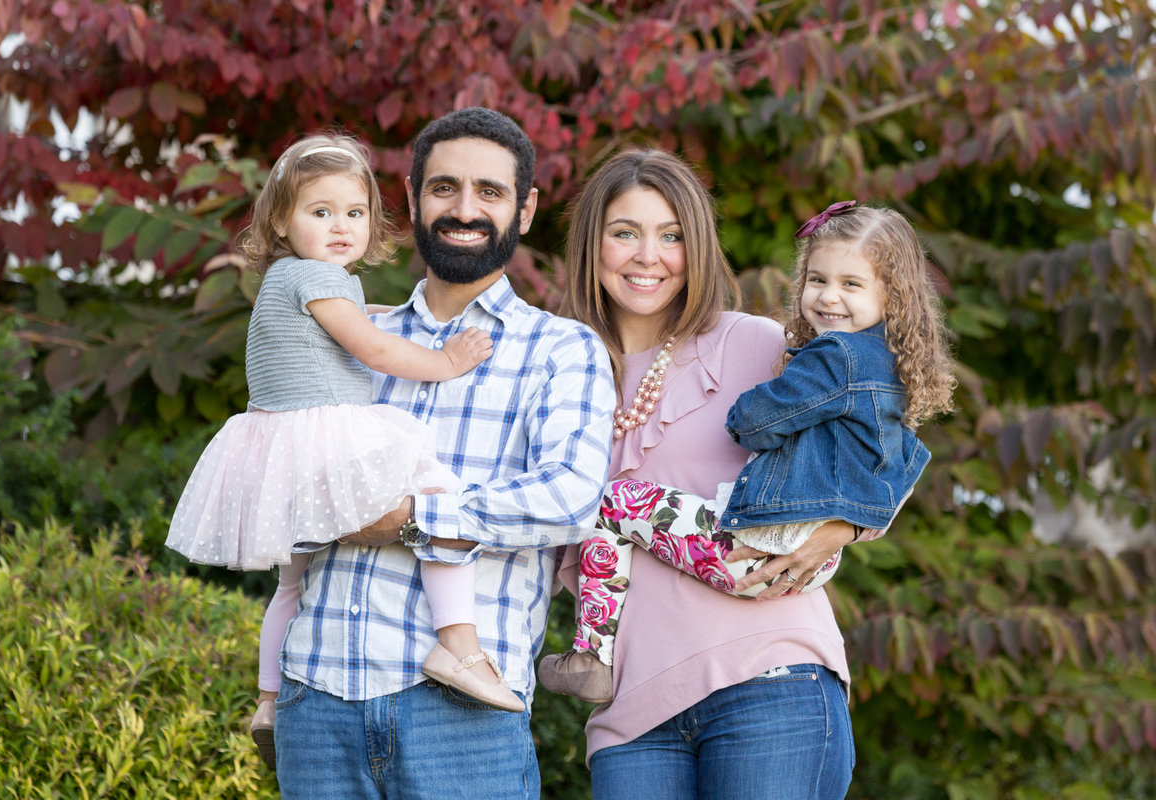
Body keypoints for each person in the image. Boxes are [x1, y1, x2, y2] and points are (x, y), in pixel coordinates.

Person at [541, 148, 951, 799]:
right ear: (592, 244)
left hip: (769, 682)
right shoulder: (552, 370)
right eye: (625, 232)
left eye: (671, 235)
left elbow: (885, 437)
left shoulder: (755, 344)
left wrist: (845, 528)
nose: (648, 255)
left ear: (696, 246)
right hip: (629, 717)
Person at [272, 108, 615, 799]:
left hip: (460, 716)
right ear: (410, 198)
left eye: (489, 192)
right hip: (316, 696)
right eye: (444, 188)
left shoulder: (562, 350)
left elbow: (569, 499)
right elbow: (280, 479)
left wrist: (407, 518)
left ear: (525, 208)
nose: (465, 209)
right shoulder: (349, 335)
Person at [164, 131, 523, 772]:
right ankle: (459, 646)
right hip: (323, 435)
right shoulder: (313, 279)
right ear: (281, 219)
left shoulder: (297, 281)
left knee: (292, 585)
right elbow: (376, 350)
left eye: (354, 213)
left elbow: (351, 319)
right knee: (436, 494)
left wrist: (379, 311)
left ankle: (269, 699)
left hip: (280, 444)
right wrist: (446, 359)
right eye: (320, 212)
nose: (340, 226)